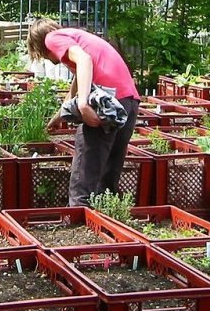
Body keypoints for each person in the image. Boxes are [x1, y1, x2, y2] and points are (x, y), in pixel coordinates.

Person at [26, 18, 140, 207]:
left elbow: (84, 60)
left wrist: (83, 104)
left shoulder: (52, 38)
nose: (47, 59)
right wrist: (59, 116)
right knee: (108, 174)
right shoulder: (78, 36)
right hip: (128, 101)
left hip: (106, 101)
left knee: (84, 174)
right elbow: (79, 78)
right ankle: (106, 216)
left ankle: (77, 217)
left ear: (40, 45)